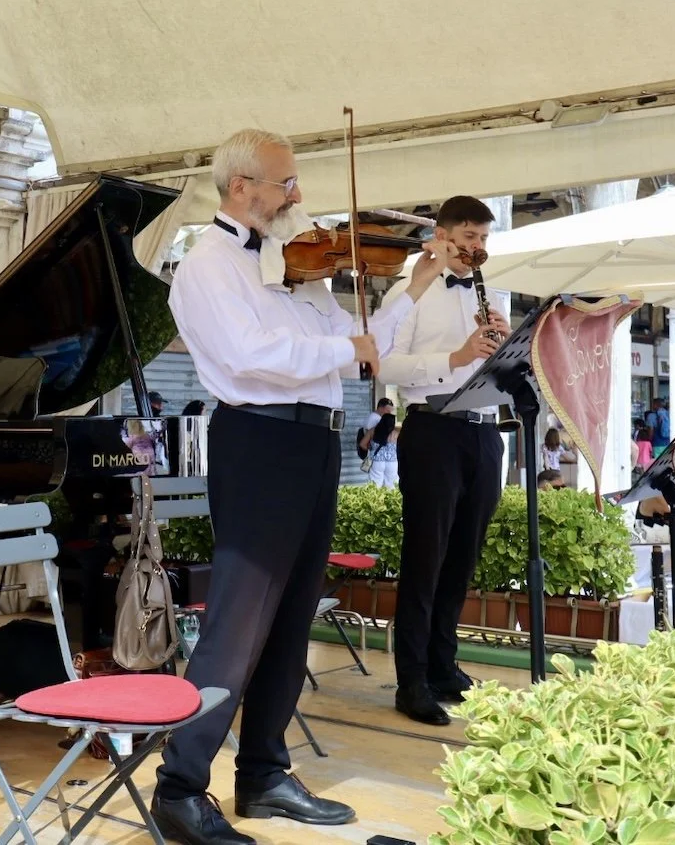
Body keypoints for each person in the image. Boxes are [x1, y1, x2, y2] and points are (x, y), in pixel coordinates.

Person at [149, 128, 459, 843]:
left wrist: (412, 285)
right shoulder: (208, 264)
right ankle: (178, 787)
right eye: (285, 183)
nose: (298, 195)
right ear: (240, 188)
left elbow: (365, 346)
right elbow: (247, 354)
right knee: (237, 623)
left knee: (291, 619)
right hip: (257, 439)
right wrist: (340, 347)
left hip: (312, 442)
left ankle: (261, 774)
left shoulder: (301, 269)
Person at [377, 195, 512, 727]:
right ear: (443, 235)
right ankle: (411, 679)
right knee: (426, 558)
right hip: (432, 429)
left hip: (484, 432)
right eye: (468, 237)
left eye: (483, 239)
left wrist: (503, 348)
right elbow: (384, 363)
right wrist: (454, 358)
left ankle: (442, 665)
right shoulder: (408, 293)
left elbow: (504, 367)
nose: (477, 248)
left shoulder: (490, 293)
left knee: (462, 559)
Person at [359, 414, 399, 488]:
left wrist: (371, 449)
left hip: (377, 461)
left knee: (375, 486)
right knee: (392, 486)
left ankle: (377, 499)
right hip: (392, 462)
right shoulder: (396, 434)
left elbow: (362, 444)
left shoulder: (372, 431)